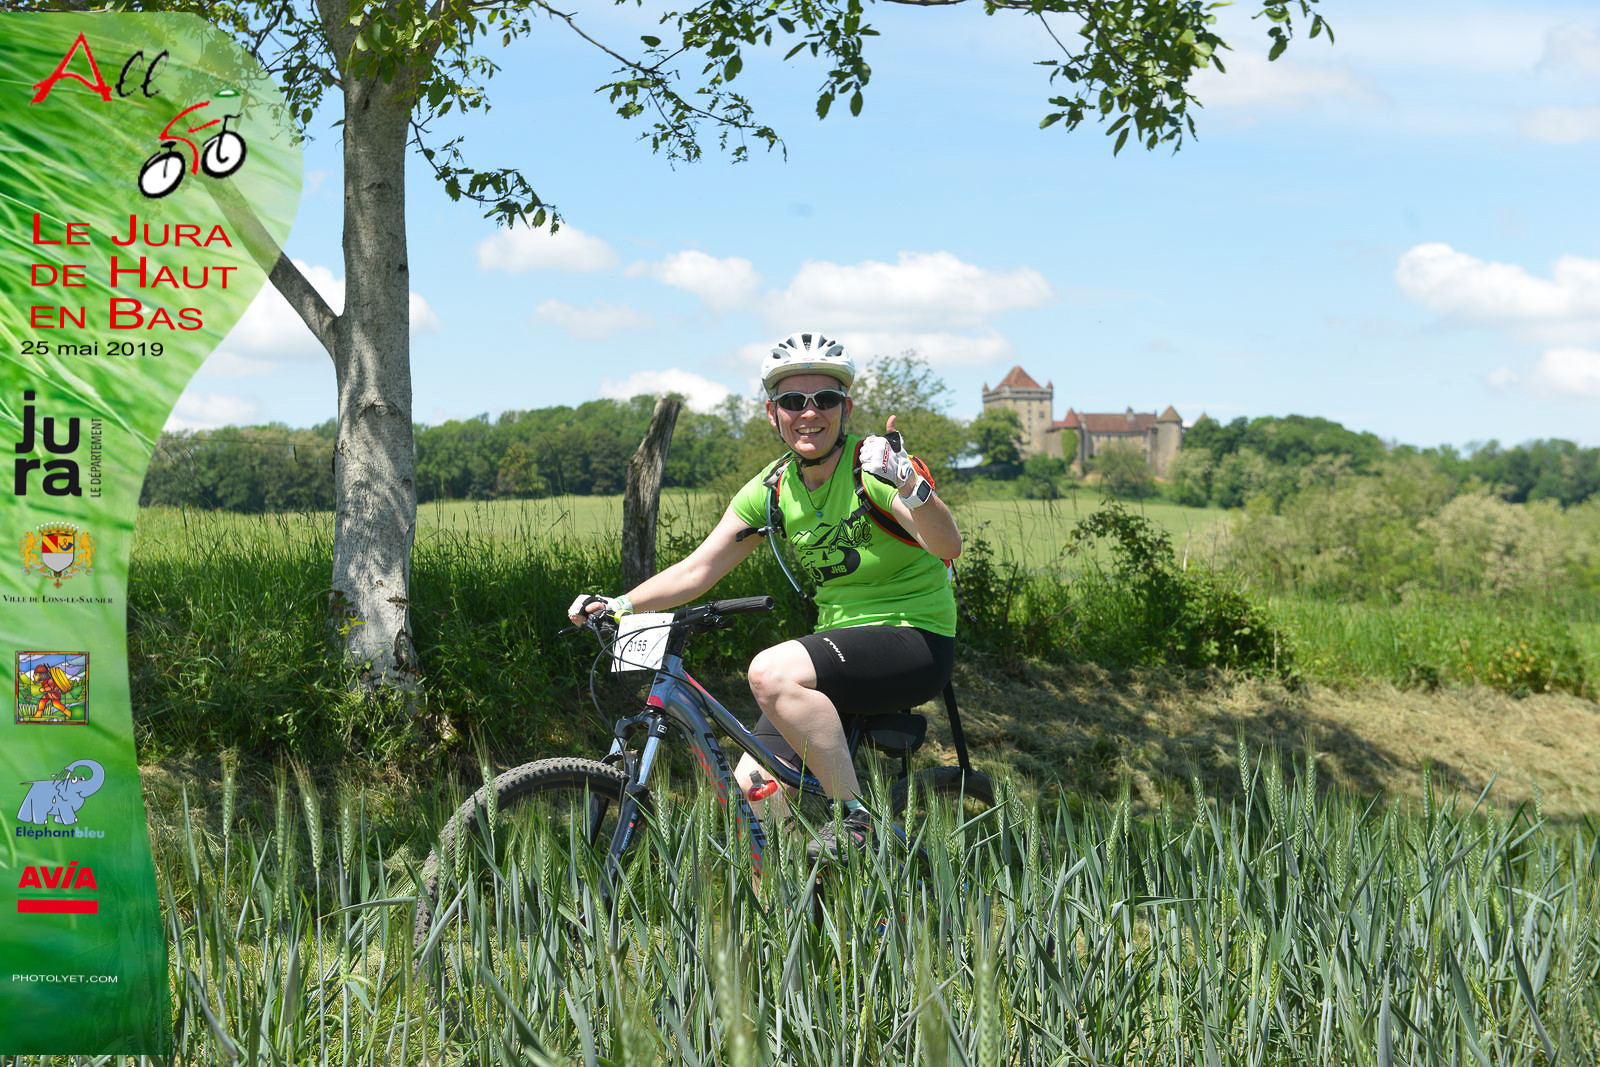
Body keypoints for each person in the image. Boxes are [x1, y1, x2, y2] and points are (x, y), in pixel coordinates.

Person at [568, 331, 963, 860]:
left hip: (914, 639)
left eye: (824, 399)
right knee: (753, 802)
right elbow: (699, 568)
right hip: (838, 650)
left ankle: (856, 819)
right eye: (793, 401)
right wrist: (621, 604)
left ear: (845, 409)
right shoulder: (773, 488)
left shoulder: (875, 469)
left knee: (770, 672)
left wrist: (911, 486)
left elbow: (947, 545)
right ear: (772, 413)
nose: (809, 412)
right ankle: (792, 904)